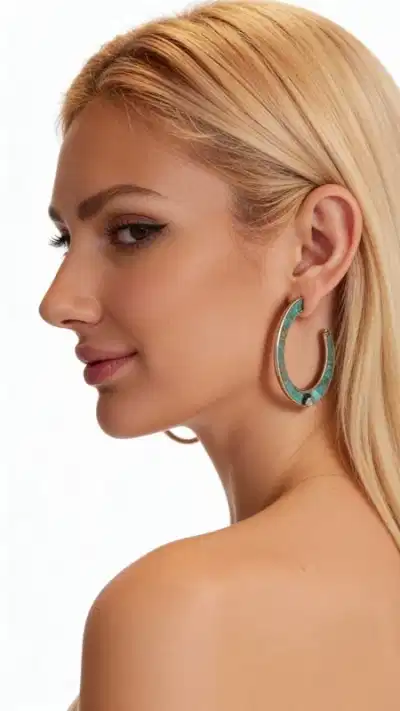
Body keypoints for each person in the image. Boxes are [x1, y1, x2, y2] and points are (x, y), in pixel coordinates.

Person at [38, 1, 400, 708]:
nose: (59, 301)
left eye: (133, 231)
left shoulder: (179, 612)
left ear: (316, 247)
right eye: (64, 240)